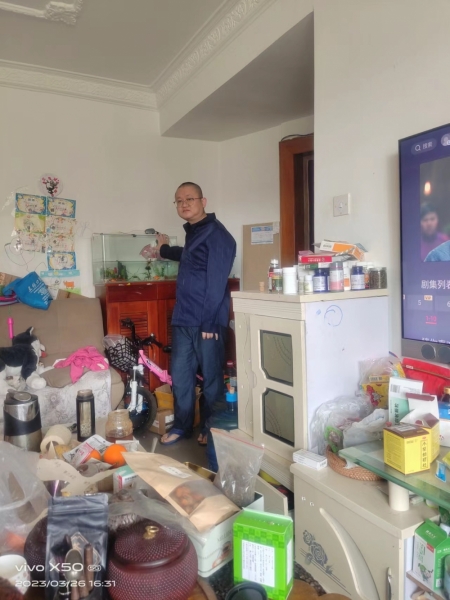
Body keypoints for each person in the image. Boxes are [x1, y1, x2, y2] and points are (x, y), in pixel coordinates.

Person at [153, 182, 236, 445]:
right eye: (179, 200)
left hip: (206, 321)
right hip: (183, 317)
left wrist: (210, 322)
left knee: (211, 379)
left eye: (189, 198)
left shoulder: (219, 235)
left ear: (203, 201)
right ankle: (182, 426)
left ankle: (211, 429)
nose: (184, 204)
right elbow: (189, 256)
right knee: (181, 376)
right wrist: (164, 250)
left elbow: (217, 283)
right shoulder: (194, 232)